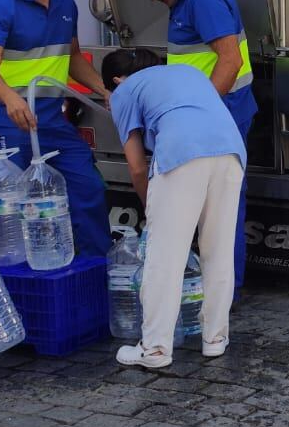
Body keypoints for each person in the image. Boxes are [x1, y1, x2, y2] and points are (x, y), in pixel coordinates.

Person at [101, 48, 245, 368]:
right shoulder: (187, 72)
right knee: (218, 251)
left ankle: (154, 349)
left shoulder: (123, 91)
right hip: (231, 151)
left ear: (115, 80)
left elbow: (137, 167)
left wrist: (151, 210)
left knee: (164, 255)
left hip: (182, 153)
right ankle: (215, 339)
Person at [0, 0, 111, 257]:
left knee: (87, 187)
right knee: (19, 202)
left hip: (51, 119)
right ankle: (26, 279)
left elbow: (73, 57)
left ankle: (94, 270)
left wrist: (103, 90)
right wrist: (10, 99)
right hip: (5, 118)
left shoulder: (65, 4)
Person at [124, 0, 256, 286]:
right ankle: (214, 294)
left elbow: (230, 62)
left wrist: (200, 114)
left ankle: (221, 298)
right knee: (212, 208)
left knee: (219, 212)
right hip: (214, 116)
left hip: (219, 118)